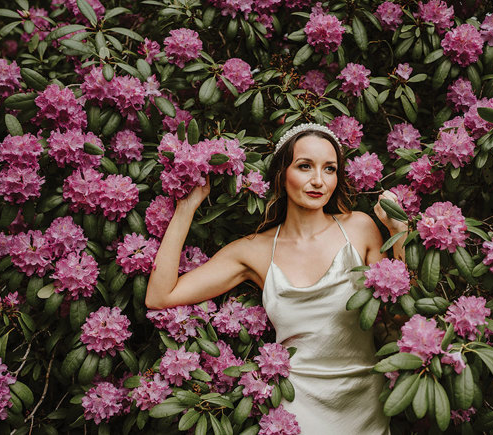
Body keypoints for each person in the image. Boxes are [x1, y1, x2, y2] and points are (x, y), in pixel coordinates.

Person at [146, 123, 408, 434]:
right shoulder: (254, 250)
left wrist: (399, 233)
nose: (318, 181)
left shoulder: (359, 228)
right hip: (298, 407)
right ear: (282, 175)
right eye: (305, 166)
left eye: (329, 169)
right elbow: (160, 296)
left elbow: (399, 311)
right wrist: (186, 208)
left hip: (365, 404)